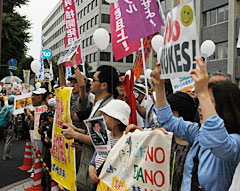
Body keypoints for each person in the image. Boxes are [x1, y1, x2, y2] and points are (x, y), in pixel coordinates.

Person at [151, 57, 240, 190]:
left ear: (226, 106)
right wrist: (159, 86)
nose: (200, 107)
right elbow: (168, 121)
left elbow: (217, 140)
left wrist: (203, 91)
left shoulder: (234, 143)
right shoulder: (197, 132)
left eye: (208, 102)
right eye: (200, 101)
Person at [62, 64, 119, 191]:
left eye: (94, 80)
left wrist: (75, 135)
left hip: (96, 170)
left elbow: (102, 141)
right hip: (87, 165)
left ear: (104, 85)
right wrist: (77, 130)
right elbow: (95, 133)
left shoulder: (109, 108)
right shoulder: (98, 104)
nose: (91, 83)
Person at [88, 99, 131, 190]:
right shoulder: (104, 136)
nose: (102, 119)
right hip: (99, 183)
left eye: (105, 116)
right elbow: (96, 156)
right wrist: (91, 168)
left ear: (118, 120)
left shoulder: (126, 140)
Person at [2, 96, 15, 160]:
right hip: (10, 126)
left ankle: (7, 154)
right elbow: (15, 116)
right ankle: (5, 155)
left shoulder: (5, 107)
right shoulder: (12, 109)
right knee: (8, 141)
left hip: (4, 125)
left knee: (7, 140)